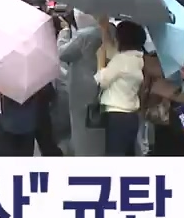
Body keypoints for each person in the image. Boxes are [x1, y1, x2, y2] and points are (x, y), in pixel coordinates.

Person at [95, 18, 146, 156]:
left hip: (117, 117)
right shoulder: (136, 59)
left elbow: (102, 80)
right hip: (131, 117)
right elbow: (112, 53)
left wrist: (100, 60)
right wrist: (104, 29)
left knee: (114, 157)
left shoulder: (122, 60)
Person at [58, 11, 106, 156]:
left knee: (81, 128)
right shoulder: (111, 31)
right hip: (103, 84)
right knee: (100, 128)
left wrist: (64, 32)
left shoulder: (85, 35)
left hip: (81, 89)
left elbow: (63, 53)